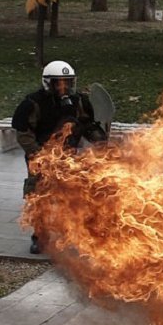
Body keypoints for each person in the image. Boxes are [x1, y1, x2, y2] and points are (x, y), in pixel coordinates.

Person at [11, 61, 108, 254]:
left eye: (67, 82)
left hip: (69, 156)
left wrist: (100, 141)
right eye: (59, 83)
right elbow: (23, 133)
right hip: (40, 157)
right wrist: (40, 156)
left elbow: (88, 124)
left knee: (74, 195)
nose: (64, 87)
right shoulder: (33, 104)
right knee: (40, 198)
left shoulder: (78, 102)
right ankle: (40, 237)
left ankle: (74, 235)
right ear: (49, 83)